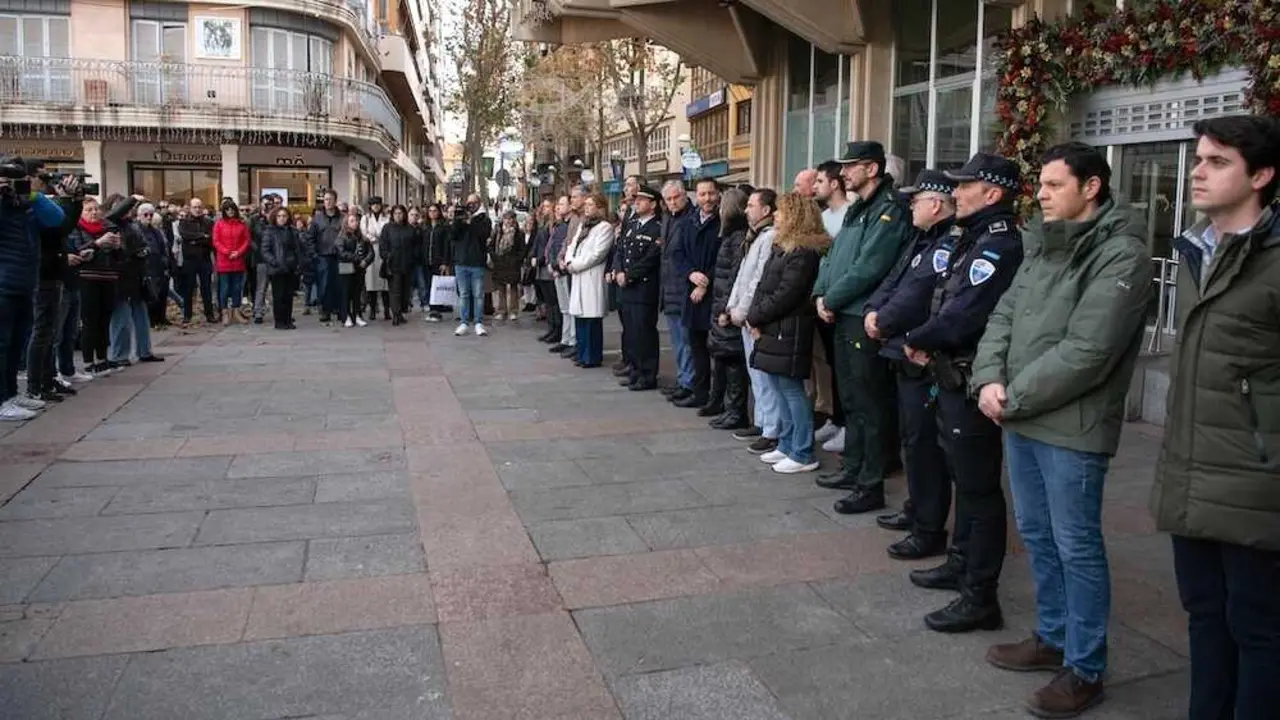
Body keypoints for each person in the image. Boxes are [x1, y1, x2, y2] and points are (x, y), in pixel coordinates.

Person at [969, 142, 1151, 717]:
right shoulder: (1044, 245)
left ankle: (1086, 666)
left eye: (1052, 185)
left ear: (1091, 187)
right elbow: (1003, 316)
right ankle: (1051, 637)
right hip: (1020, 415)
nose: (1041, 194)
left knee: (1076, 545)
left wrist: (1011, 396)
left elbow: (1089, 350)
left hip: (1070, 426)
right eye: (1040, 185)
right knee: (1039, 534)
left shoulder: (1122, 255)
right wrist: (987, 379)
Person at [1148, 115, 1280, 720]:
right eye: (1199, 159)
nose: (1198, 171)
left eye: (1217, 161)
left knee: (1258, 631)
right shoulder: (1199, 250)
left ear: (1262, 175)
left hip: (1256, 485)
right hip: (1193, 472)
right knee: (1204, 617)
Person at [901, 152, 1025, 634]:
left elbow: (964, 313)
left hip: (971, 376)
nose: (955, 193)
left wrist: (918, 339)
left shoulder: (998, 246)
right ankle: (960, 562)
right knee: (960, 477)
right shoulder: (972, 238)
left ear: (992, 194)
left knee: (978, 487)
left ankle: (980, 594)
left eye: (965, 186)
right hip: (950, 371)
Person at [858, 169, 958, 561]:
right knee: (910, 439)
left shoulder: (946, 244)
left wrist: (882, 321)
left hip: (920, 353)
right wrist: (873, 311)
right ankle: (917, 509)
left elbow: (918, 295)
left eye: (915, 200)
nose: (910, 206)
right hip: (900, 348)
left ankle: (928, 527)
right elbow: (894, 281)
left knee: (923, 445)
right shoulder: (922, 237)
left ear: (935, 204)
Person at [812, 141, 912, 515]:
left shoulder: (889, 211)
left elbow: (871, 266)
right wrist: (821, 294)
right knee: (851, 400)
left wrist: (831, 299)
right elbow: (834, 256)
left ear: (872, 169)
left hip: (860, 316)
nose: (844, 173)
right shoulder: (857, 210)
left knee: (871, 404)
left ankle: (870, 482)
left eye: (851, 166)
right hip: (841, 313)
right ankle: (853, 467)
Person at [746, 191, 829, 474]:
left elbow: (787, 294)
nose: (776, 216)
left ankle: (803, 451)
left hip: (789, 327)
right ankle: (787, 442)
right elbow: (763, 285)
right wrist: (755, 314)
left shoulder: (803, 252)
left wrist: (756, 315)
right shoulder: (783, 246)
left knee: (792, 390)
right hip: (774, 327)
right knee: (780, 387)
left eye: (781, 212)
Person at [0, 161, 70, 421]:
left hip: (26, 283)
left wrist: (32, 194)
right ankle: (1, 400)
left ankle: (10, 393)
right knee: (2, 344)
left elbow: (57, 219)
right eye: (8, 180)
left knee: (16, 343)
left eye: (20, 180)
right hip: (4, 284)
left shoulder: (27, 205)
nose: (13, 185)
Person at [727, 189, 781, 452]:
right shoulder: (755, 236)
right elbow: (742, 275)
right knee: (754, 373)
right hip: (744, 314)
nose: (746, 210)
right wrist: (732, 305)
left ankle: (772, 428)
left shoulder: (769, 237)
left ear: (766, 210)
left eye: (751, 205)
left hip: (754, 315)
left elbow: (758, 278)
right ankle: (762, 421)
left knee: (763, 376)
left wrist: (744, 310)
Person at [671, 179, 722, 409]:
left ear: (718, 194)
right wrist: (691, 274)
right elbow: (678, 254)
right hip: (691, 292)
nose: (707, 198)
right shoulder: (689, 222)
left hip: (714, 293)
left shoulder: (724, 222)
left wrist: (705, 281)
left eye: (711, 193)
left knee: (720, 351)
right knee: (696, 345)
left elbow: (724, 258)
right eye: (702, 194)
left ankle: (718, 399)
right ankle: (700, 392)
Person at [705, 187, 751, 428]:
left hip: (727, 306)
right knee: (723, 357)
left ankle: (736, 411)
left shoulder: (738, 237)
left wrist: (725, 309)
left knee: (733, 362)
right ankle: (724, 404)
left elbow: (735, 275)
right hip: (721, 302)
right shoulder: (732, 236)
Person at [812, 160, 850, 452]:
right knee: (830, 366)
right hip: (822, 299)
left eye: (820, 181)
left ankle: (847, 424)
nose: (816, 187)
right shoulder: (825, 216)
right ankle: (835, 419)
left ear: (835, 183)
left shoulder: (849, 215)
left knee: (844, 368)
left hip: (841, 303)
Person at [614, 185, 663, 391]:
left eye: (642, 200)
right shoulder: (632, 224)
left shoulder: (657, 227)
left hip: (643, 287)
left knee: (644, 333)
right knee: (632, 331)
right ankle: (634, 369)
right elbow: (621, 249)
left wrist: (629, 275)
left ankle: (647, 374)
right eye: (637, 200)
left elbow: (651, 258)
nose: (637, 203)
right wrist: (617, 269)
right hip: (627, 287)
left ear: (653, 204)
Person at [564, 193, 616, 368]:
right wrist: (569, 260)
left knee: (591, 319)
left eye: (590, 205)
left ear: (600, 208)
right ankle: (581, 352)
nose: (586, 208)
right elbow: (572, 245)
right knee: (580, 316)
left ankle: (592, 356)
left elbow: (597, 254)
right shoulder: (583, 225)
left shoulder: (605, 228)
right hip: (578, 274)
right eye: (585, 205)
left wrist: (575, 265)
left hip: (591, 276)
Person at [659, 180, 696, 397]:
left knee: (687, 341)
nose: (673, 202)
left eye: (676, 197)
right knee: (677, 341)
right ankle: (683, 379)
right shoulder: (668, 220)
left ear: (684, 195)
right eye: (669, 199)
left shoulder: (690, 219)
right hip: (670, 288)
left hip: (684, 288)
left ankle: (689, 382)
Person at [452, 193, 492, 337]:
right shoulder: (461, 218)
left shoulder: (484, 219)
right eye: (468, 203)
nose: (471, 205)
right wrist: (458, 220)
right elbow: (454, 235)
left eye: (474, 203)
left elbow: (483, 235)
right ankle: (463, 322)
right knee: (463, 294)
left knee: (478, 295)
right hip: (461, 261)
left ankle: (478, 322)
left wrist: (471, 222)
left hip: (477, 262)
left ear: (479, 203)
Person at [259, 206, 304, 330]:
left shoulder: (292, 231)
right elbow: (265, 250)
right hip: (277, 268)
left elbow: (297, 249)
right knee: (278, 296)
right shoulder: (269, 231)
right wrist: (274, 262)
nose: (282, 218)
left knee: (288, 296)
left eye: (284, 216)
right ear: (275, 217)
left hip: (291, 267)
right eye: (279, 216)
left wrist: (298, 263)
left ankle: (288, 320)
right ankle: (279, 321)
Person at [177, 197, 216, 325]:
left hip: (204, 259)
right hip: (190, 260)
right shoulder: (184, 222)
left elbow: (211, 239)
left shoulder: (208, 222)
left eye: (199, 207)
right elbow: (185, 235)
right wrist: (201, 236)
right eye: (195, 207)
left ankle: (209, 314)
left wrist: (197, 240)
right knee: (188, 288)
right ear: (190, 208)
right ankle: (187, 315)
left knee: (206, 288)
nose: (197, 210)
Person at [212, 199, 251, 325]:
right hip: (224, 261)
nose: (230, 212)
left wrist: (238, 252)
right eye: (227, 210)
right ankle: (224, 313)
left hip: (238, 261)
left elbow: (246, 240)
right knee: (224, 288)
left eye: (232, 209)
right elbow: (216, 241)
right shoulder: (219, 224)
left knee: (237, 288)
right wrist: (227, 252)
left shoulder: (241, 224)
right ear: (224, 211)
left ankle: (236, 311)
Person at [307, 189, 344, 323]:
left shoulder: (342, 218)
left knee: (340, 284)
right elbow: (310, 238)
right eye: (326, 199)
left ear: (335, 201)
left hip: (339, 256)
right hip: (322, 256)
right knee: (324, 284)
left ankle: (340, 309)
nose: (328, 202)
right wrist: (314, 254)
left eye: (330, 199)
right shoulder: (317, 219)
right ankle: (325, 310)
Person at [379, 204, 417, 326]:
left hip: (407, 264)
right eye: (396, 213)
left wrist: (413, 257)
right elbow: (383, 244)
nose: (398, 215)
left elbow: (415, 245)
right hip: (393, 264)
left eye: (400, 213)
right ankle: (395, 314)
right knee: (395, 290)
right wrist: (386, 256)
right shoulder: (387, 228)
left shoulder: (410, 229)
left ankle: (401, 312)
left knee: (405, 290)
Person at [336, 210, 372, 327]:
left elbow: (370, 252)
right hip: (346, 267)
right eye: (352, 221)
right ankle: (345, 316)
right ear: (346, 223)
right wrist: (357, 258)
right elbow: (341, 253)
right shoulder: (342, 237)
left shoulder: (362, 238)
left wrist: (366, 261)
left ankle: (357, 315)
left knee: (357, 293)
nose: (355, 223)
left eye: (356, 220)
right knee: (346, 293)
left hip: (359, 269)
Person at [546, 196, 573, 352]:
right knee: (564, 307)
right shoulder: (561, 225)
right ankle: (565, 338)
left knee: (569, 307)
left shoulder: (570, 225)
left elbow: (565, 247)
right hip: (556, 270)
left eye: (562, 204)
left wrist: (557, 265)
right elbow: (552, 246)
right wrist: (551, 263)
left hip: (564, 270)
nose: (559, 207)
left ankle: (571, 339)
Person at [489, 210, 526, 321]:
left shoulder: (519, 233)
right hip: (500, 263)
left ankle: (514, 311)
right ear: (503, 219)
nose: (509, 221)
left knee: (514, 287)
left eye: (511, 218)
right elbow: (491, 246)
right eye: (506, 218)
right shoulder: (497, 231)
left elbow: (522, 249)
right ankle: (501, 310)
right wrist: (495, 257)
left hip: (512, 264)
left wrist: (517, 260)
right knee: (501, 288)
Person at [423, 203, 451, 322]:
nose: (432, 213)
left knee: (437, 286)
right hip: (426, 261)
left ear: (439, 212)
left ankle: (436, 311)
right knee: (428, 286)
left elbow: (446, 245)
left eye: (435, 211)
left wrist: (445, 262)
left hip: (438, 261)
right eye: (430, 211)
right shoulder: (425, 226)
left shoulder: (443, 227)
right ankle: (433, 309)